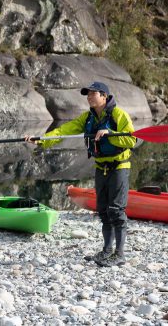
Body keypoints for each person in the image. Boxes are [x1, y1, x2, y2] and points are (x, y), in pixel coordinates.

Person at [24, 82, 136, 267]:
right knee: (103, 211)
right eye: (88, 94)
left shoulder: (118, 115)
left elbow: (131, 139)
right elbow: (65, 131)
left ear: (104, 96)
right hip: (102, 167)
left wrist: (110, 133)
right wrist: (43, 140)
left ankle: (120, 254)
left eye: (93, 94)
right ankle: (107, 251)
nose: (89, 97)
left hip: (119, 166)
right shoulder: (88, 118)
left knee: (116, 210)